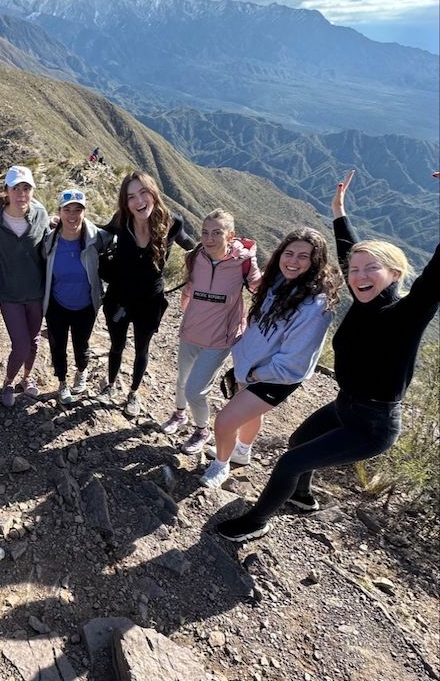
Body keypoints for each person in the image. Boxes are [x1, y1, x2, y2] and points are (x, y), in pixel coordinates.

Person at [216, 171, 440, 541]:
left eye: (372, 269)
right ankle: (302, 499)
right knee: (297, 444)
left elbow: (436, 271)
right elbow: (349, 251)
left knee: (288, 463)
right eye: (354, 270)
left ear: (396, 274)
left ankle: (256, 522)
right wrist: (338, 211)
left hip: (373, 423)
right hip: (345, 405)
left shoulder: (407, 315)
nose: (359, 276)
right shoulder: (364, 299)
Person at [199, 227, 343, 489]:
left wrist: (254, 374)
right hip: (252, 364)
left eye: (303, 256)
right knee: (249, 414)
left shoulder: (315, 306)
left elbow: (294, 362)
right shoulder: (279, 281)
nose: (293, 261)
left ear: (315, 262)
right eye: (288, 253)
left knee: (225, 421)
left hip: (275, 376)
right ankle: (242, 451)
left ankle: (221, 465)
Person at [161, 209, 262, 454]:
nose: (209, 238)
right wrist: (187, 312)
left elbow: (260, 288)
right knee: (182, 381)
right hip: (191, 331)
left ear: (231, 235)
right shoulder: (196, 257)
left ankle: (202, 430)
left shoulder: (242, 262)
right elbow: (190, 286)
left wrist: (252, 258)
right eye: (205, 232)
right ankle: (179, 414)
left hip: (220, 338)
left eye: (217, 233)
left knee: (196, 389)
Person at [101, 170, 197, 418]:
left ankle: (133, 393)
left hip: (150, 301)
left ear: (153, 193)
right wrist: (69, 224)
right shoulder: (122, 220)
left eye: (143, 192)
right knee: (116, 346)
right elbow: (101, 231)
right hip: (119, 298)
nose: (139, 200)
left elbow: (190, 245)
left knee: (142, 349)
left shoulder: (172, 222)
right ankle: (110, 386)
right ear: (126, 202)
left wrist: (220, 250)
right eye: (131, 196)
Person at [0, 166, 49, 408]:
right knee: (20, 344)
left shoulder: (41, 213)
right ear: (6, 191)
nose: (21, 193)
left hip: (36, 290)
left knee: (33, 341)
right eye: (16, 188)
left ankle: (26, 377)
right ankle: (9, 381)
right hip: (9, 292)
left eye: (26, 188)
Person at [42, 189, 114, 404]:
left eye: (78, 210)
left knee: (81, 344)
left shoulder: (97, 238)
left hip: (86, 304)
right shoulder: (49, 241)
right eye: (67, 210)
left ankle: (81, 373)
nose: (72, 215)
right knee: (58, 345)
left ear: (85, 212)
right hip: (57, 303)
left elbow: (120, 236)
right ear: (59, 212)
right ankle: (62, 382)